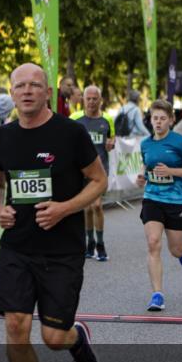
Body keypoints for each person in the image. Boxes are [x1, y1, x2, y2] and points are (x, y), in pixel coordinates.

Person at [0, 63, 106, 362]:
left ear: (47, 91)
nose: (26, 91)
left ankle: (76, 339)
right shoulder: (3, 137)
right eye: (19, 86)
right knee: (15, 328)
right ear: (12, 91)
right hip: (17, 248)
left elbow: (99, 180)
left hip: (62, 250)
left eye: (34, 85)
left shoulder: (71, 133)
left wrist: (65, 208)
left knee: (53, 339)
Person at [137, 99, 182, 311]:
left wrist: (172, 172)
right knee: (153, 243)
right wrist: (142, 177)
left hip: (175, 201)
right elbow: (146, 167)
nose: (158, 122)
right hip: (152, 198)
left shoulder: (181, 142)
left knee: (175, 249)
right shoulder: (145, 143)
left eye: (163, 119)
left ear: (171, 121)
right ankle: (157, 294)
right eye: (155, 118)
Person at [71, 86, 115, 261]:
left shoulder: (107, 120)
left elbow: (112, 138)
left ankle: (101, 244)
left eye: (94, 99)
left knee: (96, 205)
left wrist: (112, 143)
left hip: (100, 170)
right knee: (87, 208)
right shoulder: (74, 119)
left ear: (100, 100)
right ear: (83, 99)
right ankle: (89, 243)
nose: (91, 102)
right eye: (88, 98)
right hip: (81, 171)